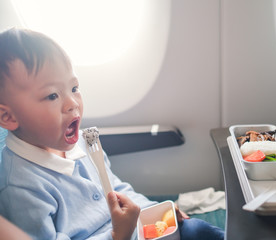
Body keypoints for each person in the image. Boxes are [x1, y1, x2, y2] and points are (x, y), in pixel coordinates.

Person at [0, 28, 224, 240]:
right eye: (51, 96)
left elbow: (115, 190)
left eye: (74, 89)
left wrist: (153, 212)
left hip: (135, 231)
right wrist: (116, 235)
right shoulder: (21, 188)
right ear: (8, 117)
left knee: (196, 230)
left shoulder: (82, 143)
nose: (72, 103)